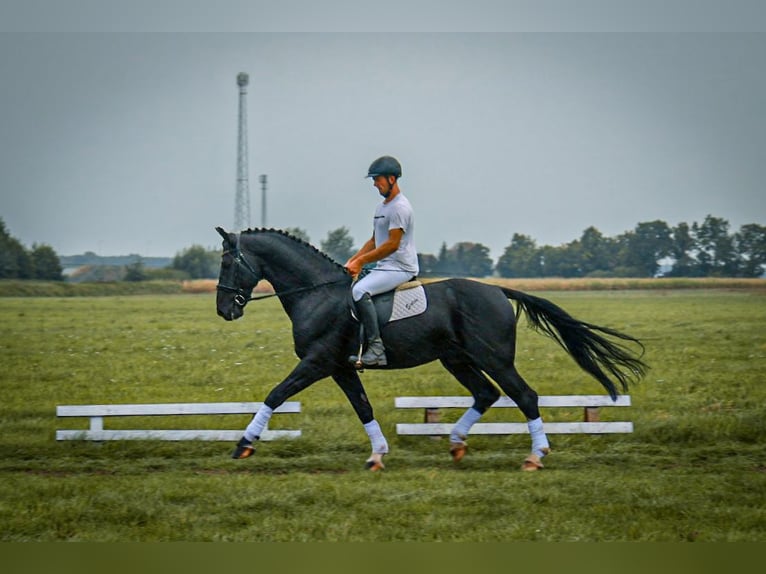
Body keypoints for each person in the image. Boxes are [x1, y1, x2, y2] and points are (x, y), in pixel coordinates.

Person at [344, 155, 419, 367]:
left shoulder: (400, 207)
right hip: (385, 267)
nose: (375, 184)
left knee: (359, 291)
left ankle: (376, 349)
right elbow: (375, 240)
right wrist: (354, 260)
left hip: (400, 268)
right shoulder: (382, 208)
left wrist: (361, 262)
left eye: (378, 179)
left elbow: (391, 245)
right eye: (374, 180)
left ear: (392, 179)